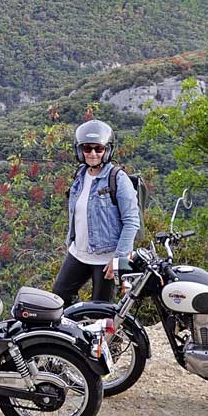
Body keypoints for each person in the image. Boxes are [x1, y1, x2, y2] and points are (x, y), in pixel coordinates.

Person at [51, 119, 140, 306]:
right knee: (60, 296)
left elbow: (131, 221)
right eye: (87, 148)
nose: (92, 153)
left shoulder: (118, 179)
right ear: (80, 150)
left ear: (107, 150)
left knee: (100, 309)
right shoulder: (80, 176)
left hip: (106, 257)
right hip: (78, 253)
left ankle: (104, 334)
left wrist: (118, 259)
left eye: (98, 149)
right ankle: (76, 330)